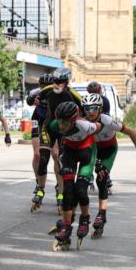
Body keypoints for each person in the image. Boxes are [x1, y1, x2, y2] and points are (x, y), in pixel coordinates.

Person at [80, 92, 136, 238]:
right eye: (87, 109)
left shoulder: (107, 120)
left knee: (102, 179)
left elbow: (132, 132)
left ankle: (101, 214)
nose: (91, 112)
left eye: (94, 108)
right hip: (93, 149)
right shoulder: (83, 123)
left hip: (109, 150)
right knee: (83, 179)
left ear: (100, 109)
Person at [47, 102, 98, 251]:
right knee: (68, 191)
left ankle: (84, 219)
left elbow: (100, 129)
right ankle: (67, 228)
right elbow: (54, 140)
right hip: (69, 150)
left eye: (66, 122)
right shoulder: (55, 125)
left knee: (81, 190)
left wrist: (100, 160)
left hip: (86, 151)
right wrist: (55, 150)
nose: (62, 125)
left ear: (74, 120)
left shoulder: (85, 125)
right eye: (60, 121)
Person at [42, 67, 84, 208]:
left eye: (60, 82)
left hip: (64, 131)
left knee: (62, 163)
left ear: (66, 82)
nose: (57, 84)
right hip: (49, 128)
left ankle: (61, 193)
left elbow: (84, 108)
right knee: (43, 159)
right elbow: (31, 98)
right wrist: (33, 100)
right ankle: (40, 190)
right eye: (55, 81)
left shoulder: (72, 94)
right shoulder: (48, 89)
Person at [25, 73, 56, 211]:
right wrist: (32, 100)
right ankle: (39, 182)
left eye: (47, 86)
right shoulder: (37, 92)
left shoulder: (57, 91)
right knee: (37, 155)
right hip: (39, 119)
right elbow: (29, 99)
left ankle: (59, 187)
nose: (45, 88)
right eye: (42, 86)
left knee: (56, 154)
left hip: (52, 122)